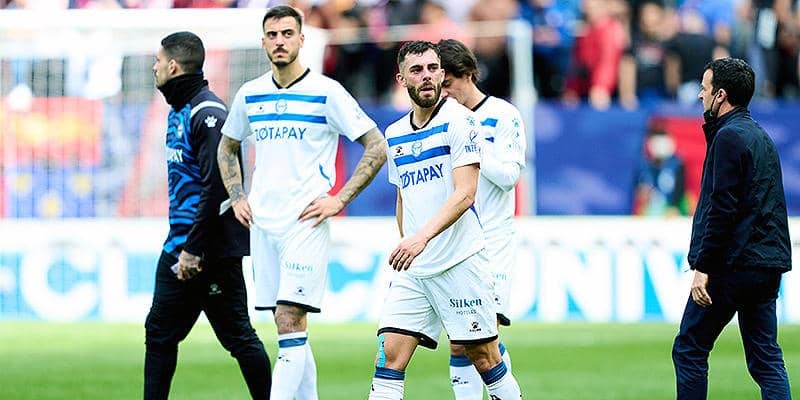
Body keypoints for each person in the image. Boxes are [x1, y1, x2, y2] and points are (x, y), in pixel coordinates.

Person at [217, 6, 387, 400]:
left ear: (301, 39)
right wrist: (238, 196)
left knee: (289, 318)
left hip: (305, 223)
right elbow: (227, 146)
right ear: (263, 42)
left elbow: (376, 146)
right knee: (288, 328)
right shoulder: (250, 93)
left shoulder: (326, 92)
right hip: (262, 223)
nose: (280, 41)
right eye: (273, 35)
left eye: (287, 34)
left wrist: (339, 199)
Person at [368, 40, 522, 400]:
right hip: (415, 270)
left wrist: (421, 238)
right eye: (417, 70)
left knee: (484, 357)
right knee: (388, 357)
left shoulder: (461, 121)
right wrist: (408, 242)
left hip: (459, 261)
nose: (427, 76)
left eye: (433, 68)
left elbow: (466, 194)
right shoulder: (395, 133)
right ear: (401, 79)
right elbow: (403, 197)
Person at [144, 31, 271, 400]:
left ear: (172, 66)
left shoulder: (208, 113)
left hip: (209, 250)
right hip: (180, 245)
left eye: (157, 61)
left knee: (239, 338)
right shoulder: (179, 111)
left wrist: (194, 249)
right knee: (159, 334)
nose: (153, 67)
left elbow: (217, 188)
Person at [671, 57, 792, 400]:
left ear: (720, 95)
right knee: (766, 359)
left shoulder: (728, 138)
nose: (700, 95)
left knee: (689, 348)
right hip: (767, 263)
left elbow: (722, 209)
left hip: (732, 264)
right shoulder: (761, 137)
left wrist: (703, 267)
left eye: (705, 88)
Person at [437, 38, 526, 400]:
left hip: (492, 242)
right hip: (455, 243)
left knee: (480, 338)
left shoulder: (503, 115)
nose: (443, 93)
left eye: (448, 84)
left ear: (469, 75)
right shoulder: (440, 120)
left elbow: (508, 176)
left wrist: (471, 139)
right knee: (461, 340)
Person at [632, 128, 688, 217]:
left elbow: (681, 190)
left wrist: (674, 207)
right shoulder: (645, 167)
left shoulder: (676, 165)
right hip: (651, 210)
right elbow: (638, 191)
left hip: (673, 211)